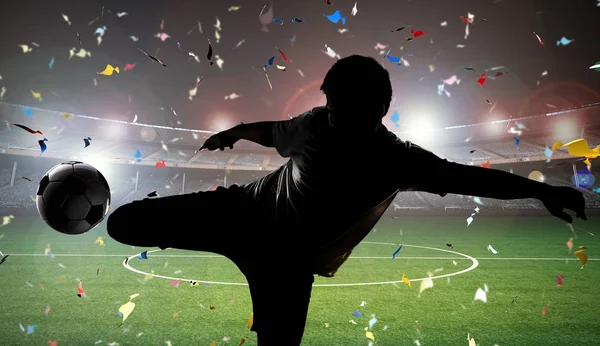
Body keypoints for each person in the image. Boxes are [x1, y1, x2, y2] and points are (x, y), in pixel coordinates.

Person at [107, 55, 587, 345]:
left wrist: (543, 190)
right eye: (331, 107)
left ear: (380, 110)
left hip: (287, 263)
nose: (333, 118)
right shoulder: (315, 124)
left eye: (345, 111)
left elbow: (469, 179)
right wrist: (234, 132)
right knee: (123, 224)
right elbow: (273, 131)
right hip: (243, 211)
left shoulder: (398, 160)